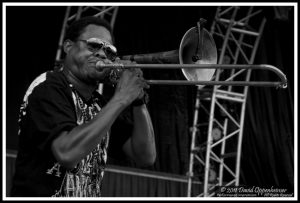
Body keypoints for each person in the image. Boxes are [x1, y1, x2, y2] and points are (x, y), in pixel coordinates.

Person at [11, 16, 156, 197]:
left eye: (109, 51)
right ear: (68, 47)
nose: (102, 54)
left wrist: (138, 101)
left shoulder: (100, 104)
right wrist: (122, 97)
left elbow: (145, 156)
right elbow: (66, 153)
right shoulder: (48, 86)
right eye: (93, 45)